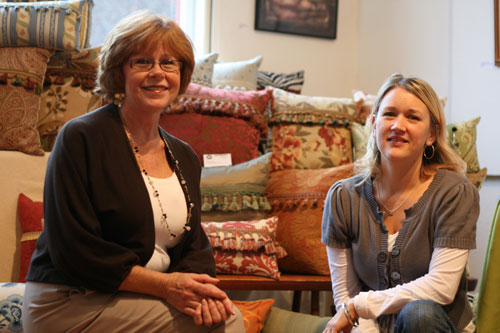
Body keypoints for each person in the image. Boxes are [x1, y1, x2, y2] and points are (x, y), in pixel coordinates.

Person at [22, 10, 244, 332]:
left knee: (218, 313)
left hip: (137, 299)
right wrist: (166, 287)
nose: (158, 73)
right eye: (142, 62)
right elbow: (74, 249)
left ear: (181, 74)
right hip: (71, 300)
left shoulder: (184, 156)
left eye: (169, 63)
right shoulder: (80, 138)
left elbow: (195, 247)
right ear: (118, 71)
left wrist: (201, 292)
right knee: (228, 324)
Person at [321, 73, 479, 333]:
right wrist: (358, 315)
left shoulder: (455, 192)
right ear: (373, 124)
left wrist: (360, 305)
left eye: (413, 117)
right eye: (389, 114)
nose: (398, 125)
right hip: (369, 328)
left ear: (432, 133)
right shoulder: (342, 197)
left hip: (434, 326)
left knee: (420, 313)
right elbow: (345, 297)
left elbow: (441, 287)